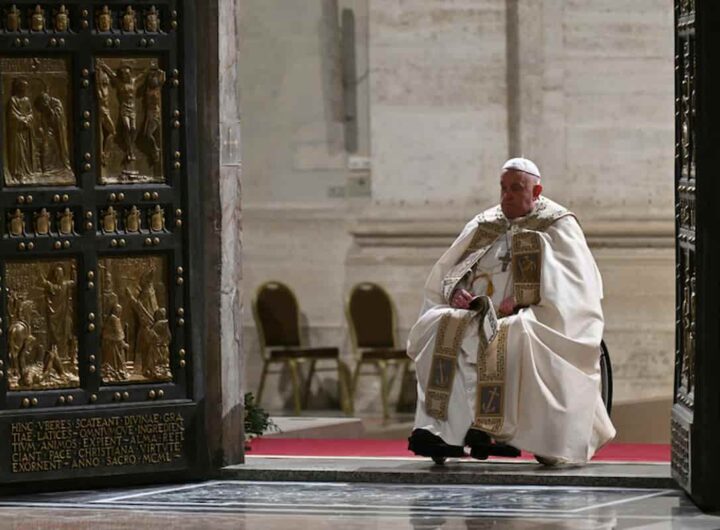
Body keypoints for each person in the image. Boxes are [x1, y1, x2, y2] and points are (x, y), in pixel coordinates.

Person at [407, 158, 615, 465]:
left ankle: (493, 429)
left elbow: (576, 284)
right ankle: (442, 433)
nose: (506, 196)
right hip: (476, 313)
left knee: (512, 333)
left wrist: (524, 297)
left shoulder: (557, 223)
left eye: (516, 189)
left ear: (536, 190)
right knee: (438, 324)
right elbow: (450, 271)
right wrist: (457, 291)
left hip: (534, 315)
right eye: (503, 188)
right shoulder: (485, 223)